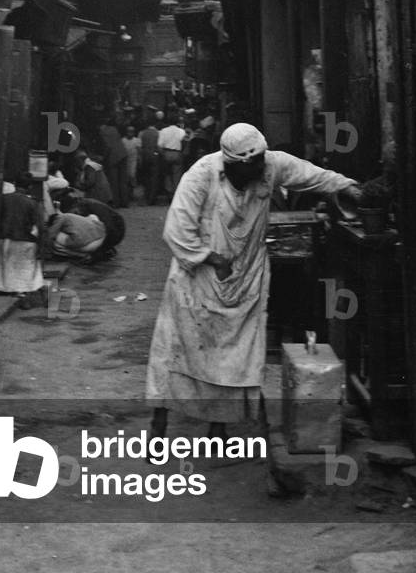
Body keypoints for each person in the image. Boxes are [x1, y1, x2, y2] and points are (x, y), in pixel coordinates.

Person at [145, 123, 362, 440]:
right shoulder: (201, 174)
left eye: (262, 161)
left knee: (232, 358)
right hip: (198, 278)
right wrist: (214, 259)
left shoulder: (269, 164)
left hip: (246, 278)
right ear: (232, 163)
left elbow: (311, 175)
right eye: (253, 165)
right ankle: (158, 426)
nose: (261, 168)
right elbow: (177, 232)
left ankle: (217, 429)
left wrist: (348, 187)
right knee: (176, 350)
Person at [0, 175, 45, 308]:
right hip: (25, 239)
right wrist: (41, 244)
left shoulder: (4, 199)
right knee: (26, 270)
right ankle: (23, 294)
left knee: (9, 268)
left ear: (15, 183)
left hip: (6, 238)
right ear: (29, 187)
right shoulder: (32, 203)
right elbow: (38, 226)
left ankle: (15, 293)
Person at [60, 191, 125, 261]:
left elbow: (110, 228)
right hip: (114, 227)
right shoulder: (84, 205)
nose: (74, 214)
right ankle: (105, 250)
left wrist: (96, 254)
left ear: (74, 206)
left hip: (116, 229)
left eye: (73, 212)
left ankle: (103, 251)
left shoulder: (91, 206)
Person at [99, 119, 129, 208]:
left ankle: (116, 203)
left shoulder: (103, 132)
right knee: (123, 180)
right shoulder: (114, 129)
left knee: (114, 181)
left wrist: (104, 158)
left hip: (114, 157)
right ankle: (125, 202)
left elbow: (108, 146)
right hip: (123, 154)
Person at [157, 118, 187, 199]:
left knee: (167, 174)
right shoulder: (181, 131)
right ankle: (176, 193)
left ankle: (169, 192)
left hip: (166, 152)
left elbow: (159, 145)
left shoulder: (163, 131)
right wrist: (182, 153)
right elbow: (185, 142)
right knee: (177, 174)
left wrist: (163, 154)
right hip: (177, 153)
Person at [138, 118, 161, 205]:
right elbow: (158, 145)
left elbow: (140, 146)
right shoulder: (157, 133)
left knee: (146, 177)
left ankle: (147, 196)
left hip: (145, 156)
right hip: (154, 156)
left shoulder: (142, 133)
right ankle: (152, 199)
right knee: (154, 178)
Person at [121, 125, 141, 202]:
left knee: (132, 176)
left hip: (133, 161)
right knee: (126, 178)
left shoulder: (137, 140)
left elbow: (139, 151)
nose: (130, 133)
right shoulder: (123, 140)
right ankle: (127, 195)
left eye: (132, 131)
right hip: (125, 161)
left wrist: (139, 161)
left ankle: (132, 193)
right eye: (129, 131)